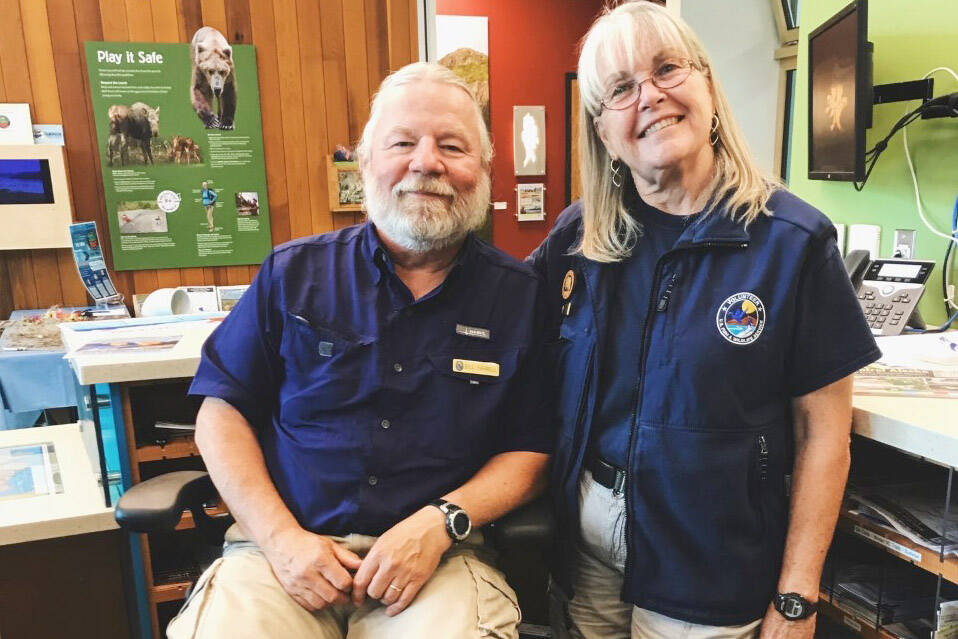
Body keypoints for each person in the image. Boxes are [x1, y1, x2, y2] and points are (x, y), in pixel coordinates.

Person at [527, 3, 881, 638]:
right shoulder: (579, 237)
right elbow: (494, 319)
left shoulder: (793, 242)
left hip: (710, 566)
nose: (652, 97)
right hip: (586, 558)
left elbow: (825, 437)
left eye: (668, 69)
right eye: (622, 88)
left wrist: (797, 598)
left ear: (708, 86)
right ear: (602, 131)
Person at [173, 62, 552, 639]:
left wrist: (439, 523)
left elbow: (532, 452)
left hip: (439, 562)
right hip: (281, 556)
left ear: (484, 170)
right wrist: (282, 541)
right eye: (403, 143)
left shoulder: (522, 296)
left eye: (453, 146)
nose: (426, 162)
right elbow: (220, 414)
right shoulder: (292, 274)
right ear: (365, 159)